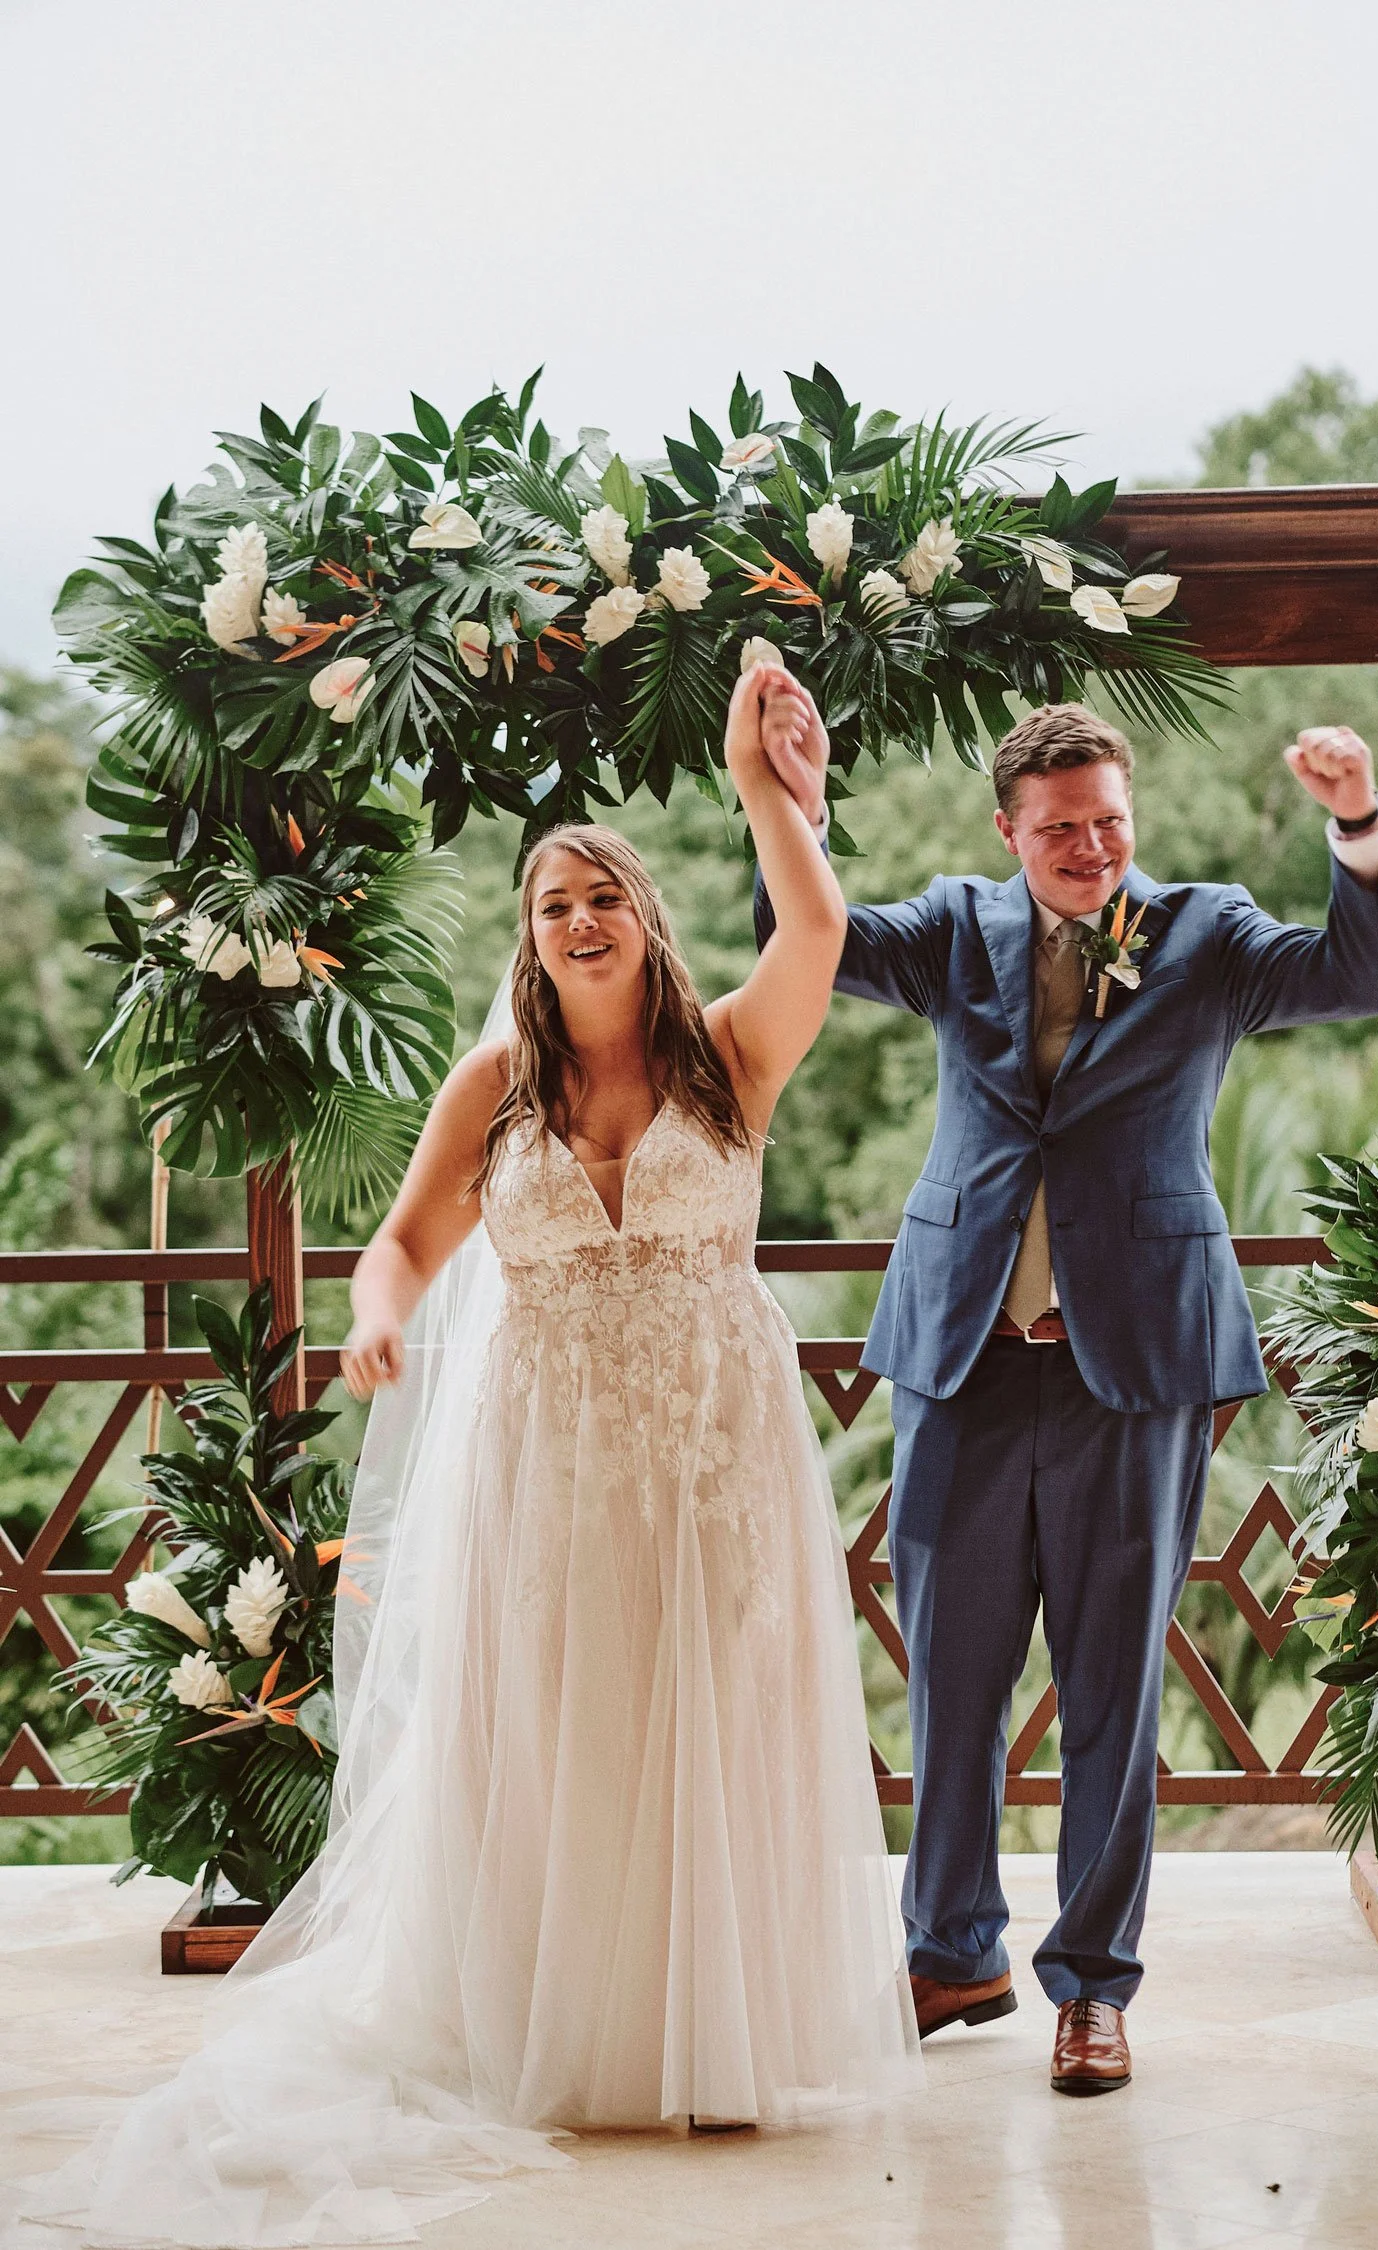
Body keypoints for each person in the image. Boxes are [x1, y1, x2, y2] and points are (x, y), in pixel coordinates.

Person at [10, 664, 919, 2249]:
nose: (580, 918)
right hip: (547, 1445)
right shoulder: (493, 1087)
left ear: (645, 917)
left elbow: (819, 931)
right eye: (554, 902)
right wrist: (373, 1321)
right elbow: (402, 1247)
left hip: (713, 1441)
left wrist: (765, 786)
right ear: (531, 938)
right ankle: (557, 2030)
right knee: (559, 1713)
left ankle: (708, 2037)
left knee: (712, 1707)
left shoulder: (728, 1055)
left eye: (603, 895)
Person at [754, 701, 1378, 2096]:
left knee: (1111, 1682)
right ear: (1009, 830)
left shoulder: (1206, 934)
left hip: (1140, 1362)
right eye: (1060, 827)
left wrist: (1355, 821)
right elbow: (808, 937)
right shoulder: (952, 927)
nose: (1091, 847)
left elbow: (1358, 976)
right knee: (953, 1677)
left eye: (1109, 820)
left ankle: (1095, 1987)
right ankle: (951, 1952)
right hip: (965, 1356)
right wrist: (796, 806)